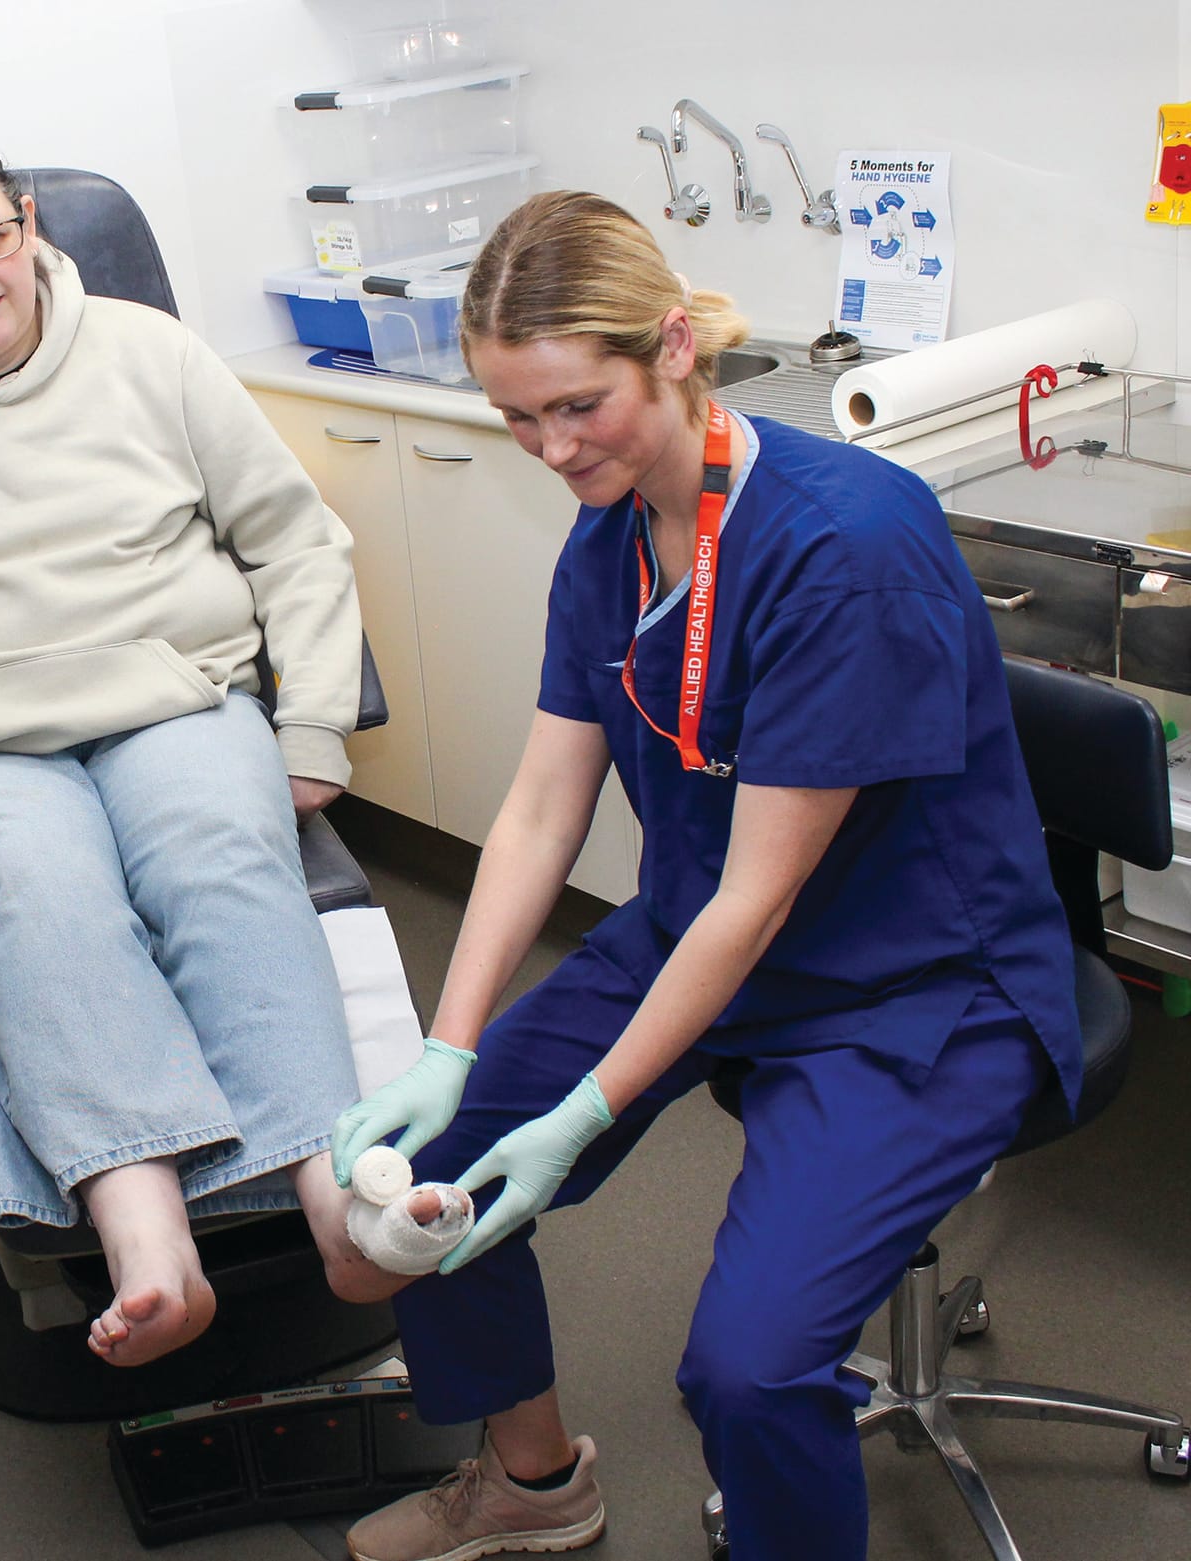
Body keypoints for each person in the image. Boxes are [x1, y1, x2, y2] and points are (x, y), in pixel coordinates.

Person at [330, 191, 1082, 1561]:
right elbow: (545, 804)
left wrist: (583, 1112)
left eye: (576, 406)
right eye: (516, 417)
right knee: (422, 1178)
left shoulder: (843, 547)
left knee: (747, 1368)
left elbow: (761, 898)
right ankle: (534, 1483)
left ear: (671, 346)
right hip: (697, 933)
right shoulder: (611, 533)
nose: (550, 448)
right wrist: (449, 1041)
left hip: (912, 989)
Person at [0, 118, 398, 1368]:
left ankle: (328, 1187)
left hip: (170, 696)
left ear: (28, 224)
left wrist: (309, 714)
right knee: (39, 893)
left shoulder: (149, 353)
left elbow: (293, 539)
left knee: (218, 852)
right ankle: (142, 1228)